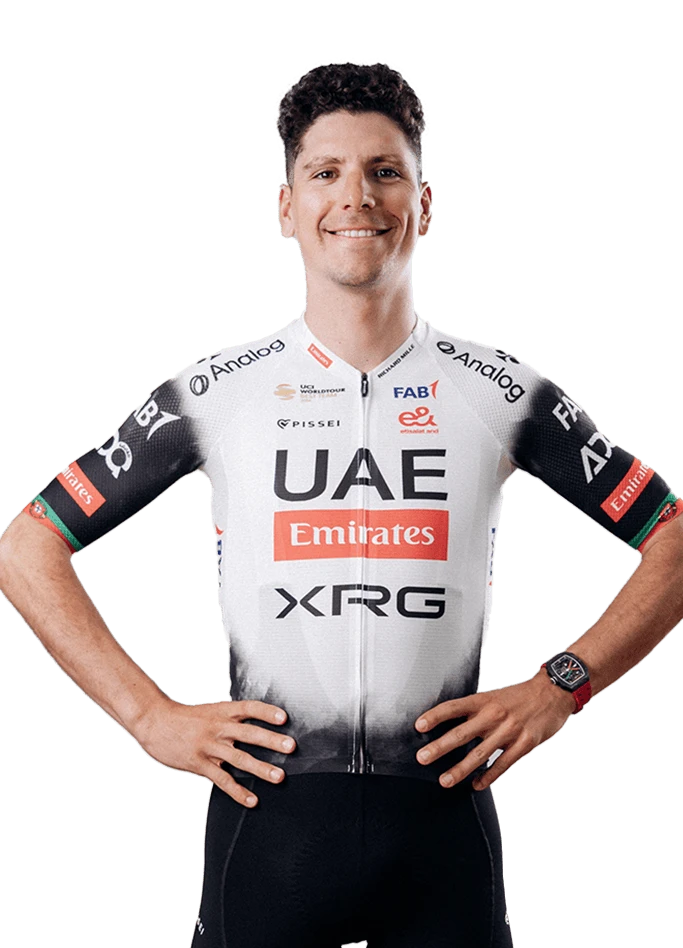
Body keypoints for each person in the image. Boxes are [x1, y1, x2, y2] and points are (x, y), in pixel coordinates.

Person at [1, 59, 682, 948]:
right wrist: (147, 715)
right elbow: (29, 544)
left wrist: (562, 684)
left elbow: (673, 537)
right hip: (268, 829)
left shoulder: (499, 391)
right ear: (286, 207)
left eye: (383, 171)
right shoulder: (218, 390)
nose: (355, 196)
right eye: (325, 172)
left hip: (442, 831)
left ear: (423, 205)